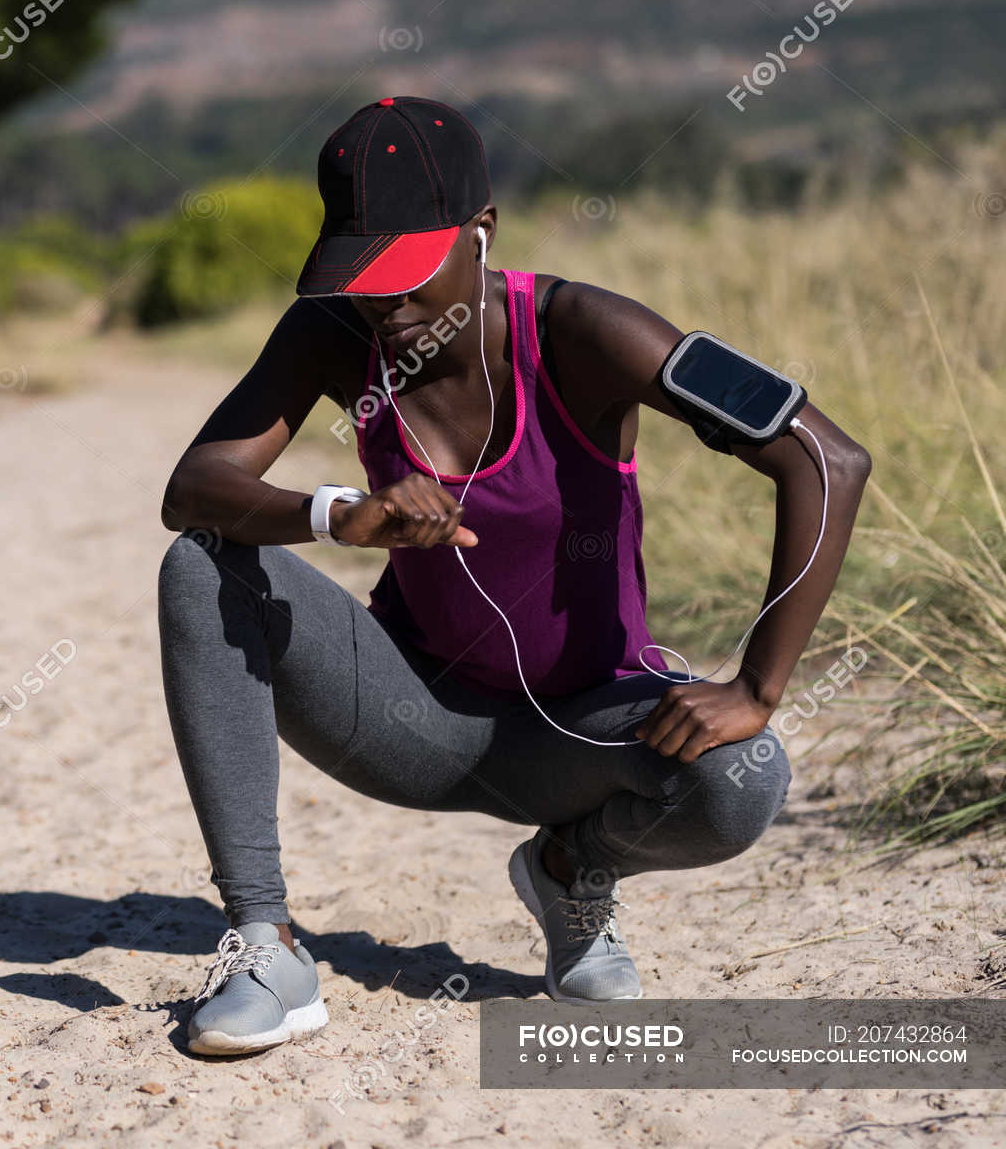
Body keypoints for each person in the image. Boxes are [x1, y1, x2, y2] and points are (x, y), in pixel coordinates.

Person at [157, 96, 872, 1056]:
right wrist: (342, 516)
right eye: (361, 275)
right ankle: (266, 945)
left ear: (482, 230)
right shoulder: (333, 334)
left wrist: (757, 684)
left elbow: (825, 459)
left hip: (588, 727)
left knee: (742, 776)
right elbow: (195, 488)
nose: (387, 303)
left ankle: (573, 869)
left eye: (408, 273)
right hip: (411, 717)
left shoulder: (586, 331)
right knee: (201, 567)